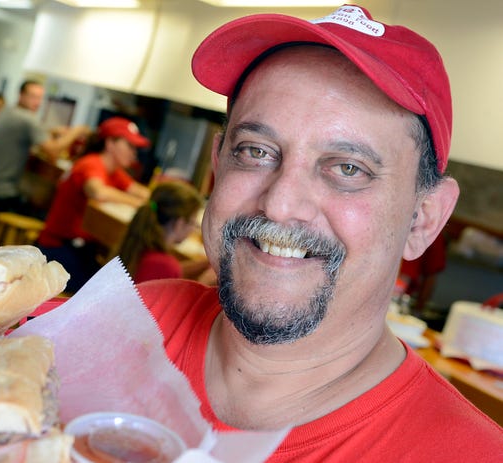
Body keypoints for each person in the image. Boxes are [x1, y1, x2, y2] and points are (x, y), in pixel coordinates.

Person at [132, 5, 502, 461]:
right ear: (217, 164)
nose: (280, 203)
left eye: (348, 168)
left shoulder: (467, 454)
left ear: (423, 217)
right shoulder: (132, 319)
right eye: (255, 151)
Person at [37, 116, 152, 293]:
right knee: (108, 290)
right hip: (56, 248)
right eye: (129, 146)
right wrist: (141, 205)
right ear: (110, 143)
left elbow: (142, 192)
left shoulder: (114, 171)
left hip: (81, 248)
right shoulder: (92, 163)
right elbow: (98, 191)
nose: (134, 153)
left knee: (113, 281)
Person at [0, 80, 89, 214]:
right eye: (33, 96)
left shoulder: (8, 111)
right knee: (41, 213)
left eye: (40, 98)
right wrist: (76, 131)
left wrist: (52, 130)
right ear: (21, 95)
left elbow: (27, 132)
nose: (37, 102)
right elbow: (53, 150)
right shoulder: (28, 119)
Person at [117, 180, 214, 284]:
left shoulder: (140, 245)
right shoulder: (166, 266)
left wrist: (205, 264)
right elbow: (171, 274)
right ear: (179, 224)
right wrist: (204, 283)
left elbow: (172, 271)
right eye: (193, 223)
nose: (192, 229)